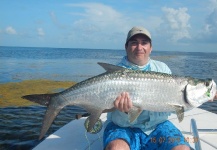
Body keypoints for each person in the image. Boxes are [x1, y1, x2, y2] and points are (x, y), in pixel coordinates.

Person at [103, 26, 217, 150]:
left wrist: (205, 96)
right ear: (126, 47)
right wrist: (125, 111)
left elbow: (173, 108)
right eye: (134, 43)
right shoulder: (115, 73)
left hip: (157, 126)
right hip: (122, 126)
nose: (139, 47)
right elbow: (108, 109)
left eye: (144, 43)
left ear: (151, 48)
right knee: (116, 148)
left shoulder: (162, 69)